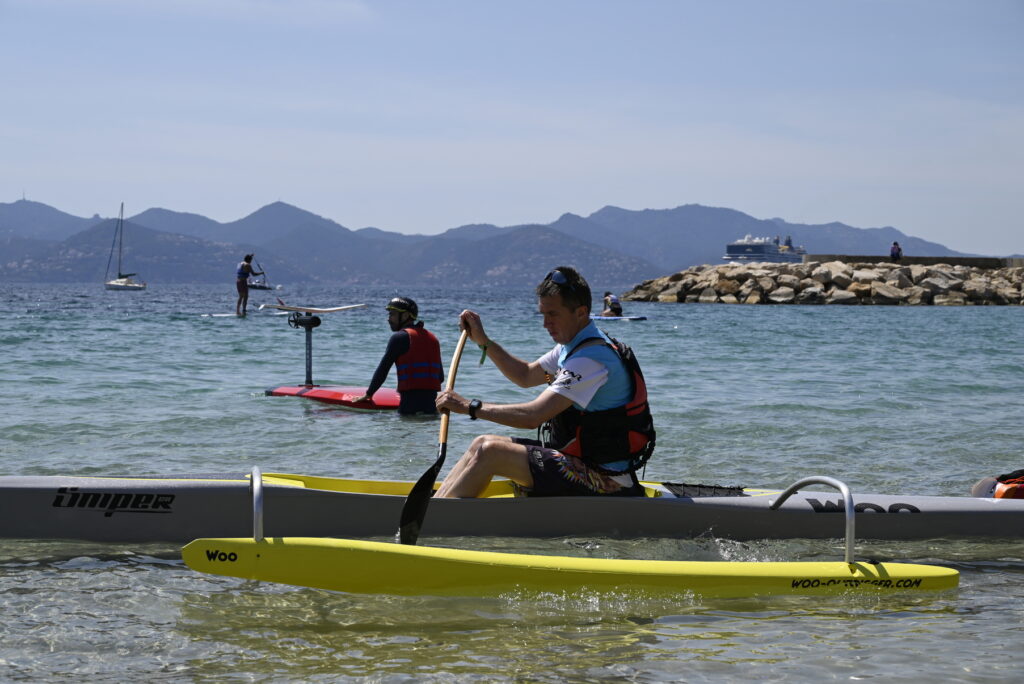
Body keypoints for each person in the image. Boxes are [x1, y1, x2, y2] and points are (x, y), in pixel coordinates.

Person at [434, 266, 655, 499]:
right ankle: (436, 505)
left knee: (490, 452)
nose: (545, 323)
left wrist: (468, 406)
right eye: (543, 314)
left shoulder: (590, 359)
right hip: (579, 460)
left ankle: (436, 514)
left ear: (581, 313)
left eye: (553, 314)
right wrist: (483, 341)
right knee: (481, 443)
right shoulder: (573, 345)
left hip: (607, 479)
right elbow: (525, 375)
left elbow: (533, 417)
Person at [352, 297, 443, 416]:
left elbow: (383, 369)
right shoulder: (432, 338)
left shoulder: (400, 338)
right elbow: (440, 377)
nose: (388, 319)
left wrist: (369, 394)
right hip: (432, 407)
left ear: (405, 315)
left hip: (409, 406)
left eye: (392, 314)